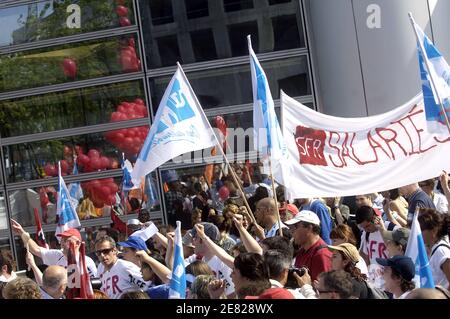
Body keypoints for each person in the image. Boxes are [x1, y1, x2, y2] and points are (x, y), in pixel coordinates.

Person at [10, 220, 97, 279]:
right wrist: (22, 233)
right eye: (62, 240)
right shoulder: (57, 255)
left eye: (66, 240)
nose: (62, 243)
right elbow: (36, 249)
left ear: (78, 243)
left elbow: (92, 287)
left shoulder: (86, 262)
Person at [355, 205, 398, 289]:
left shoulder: (391, 228)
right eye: (362, 227)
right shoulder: (366, 233)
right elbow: (365, 256)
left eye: (367, 226)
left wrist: (382, 230)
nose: (366, 229)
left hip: (391, 281)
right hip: (375, 283)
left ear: (375, 218)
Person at [189, 222, 235, 297]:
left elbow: (231, 294)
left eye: (195, 238)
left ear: (202, 240)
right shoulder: (201, 260)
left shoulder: (222, 263)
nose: (192, 242)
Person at [285, 211, 332, 281]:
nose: (291, 231)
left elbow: (325, 288)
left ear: (309, 228)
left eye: (295, 227)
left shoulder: (322, 255)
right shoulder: (302, 251)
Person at [418, 208, 450, 289]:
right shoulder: (428, 248)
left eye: (421, 229)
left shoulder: (442, 252)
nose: (418, 233)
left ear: (434, 231)